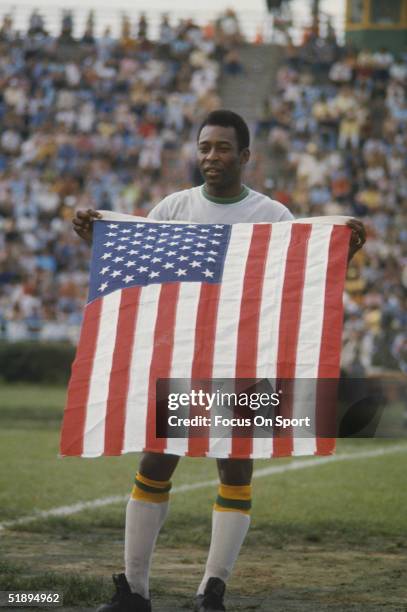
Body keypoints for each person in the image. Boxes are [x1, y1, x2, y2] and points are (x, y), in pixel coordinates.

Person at [72, 110, 366, 612]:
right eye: (205, 146)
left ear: (246, 156)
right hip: (182, 352)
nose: (212, 156)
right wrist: (95, 239)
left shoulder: (271, 215)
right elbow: (140, 273)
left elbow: (297, 279)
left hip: (243, 356)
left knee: (235, 466)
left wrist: (343, 251)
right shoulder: (175, 206)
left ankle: (212, 589)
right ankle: (134, 592)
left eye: (223, 147)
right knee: (156, 459)